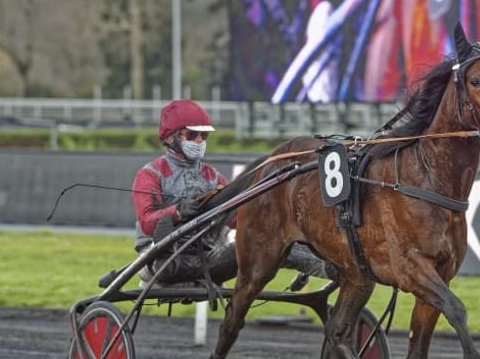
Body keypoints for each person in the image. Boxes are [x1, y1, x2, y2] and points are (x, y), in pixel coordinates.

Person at [132, 99, 334, 287]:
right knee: (261, 245)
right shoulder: (150, 174)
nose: (199, 140)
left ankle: (333, 268)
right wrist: (179, 211)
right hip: (161, 261)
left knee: (269, 242)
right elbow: (148, 222)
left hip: (208, 259)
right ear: (170, 137)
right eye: (192, 135)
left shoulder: (214, 177)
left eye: (204, 135)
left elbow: (236, 220)